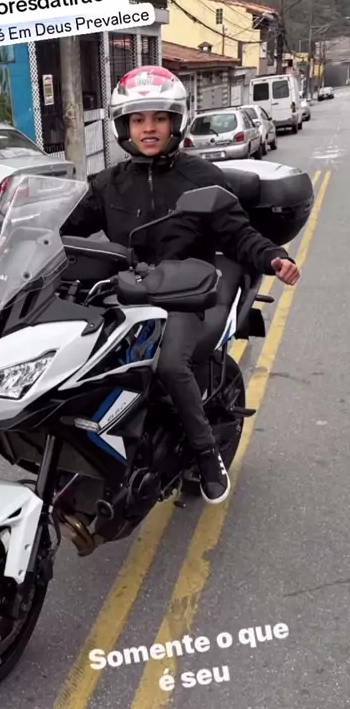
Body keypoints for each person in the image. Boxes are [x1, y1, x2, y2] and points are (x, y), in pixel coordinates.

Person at [59, 65, 301, 505]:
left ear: (175, 122)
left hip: (185, 293)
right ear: (124, 127)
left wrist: (273, 257)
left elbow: (237, 233)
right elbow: (64, 230)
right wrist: (7, 244)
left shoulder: (201, 177)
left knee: (170, 364)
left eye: (158, 118)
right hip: (128, 290)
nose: (148, 128)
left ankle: (207, 456)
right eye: (138, 119)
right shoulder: (108, 183)